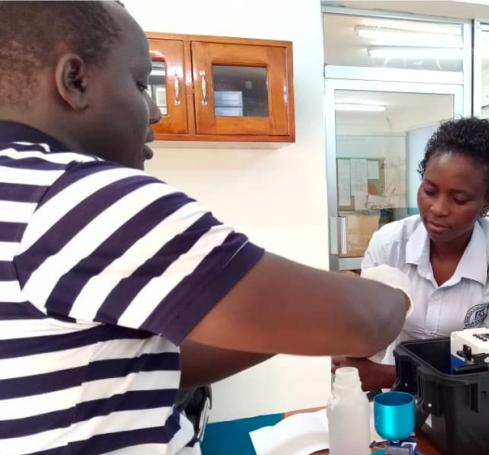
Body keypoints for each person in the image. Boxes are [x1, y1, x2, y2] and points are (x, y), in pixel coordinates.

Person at [0, 1, 409, 454]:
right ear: (74, 81)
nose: (154, 112)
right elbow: (365, 322)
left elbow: (145, 363)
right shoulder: (78, 198)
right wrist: (390, 289)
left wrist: (295, 321)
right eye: (141, 85)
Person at [332, 117, 489, 391]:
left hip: (470, 397)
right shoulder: (390, 244)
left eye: (459, 199)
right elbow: (368, 336)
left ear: (486, 203)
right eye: (429, 191)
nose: (438, 208)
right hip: (396, 400)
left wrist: (389, 374)